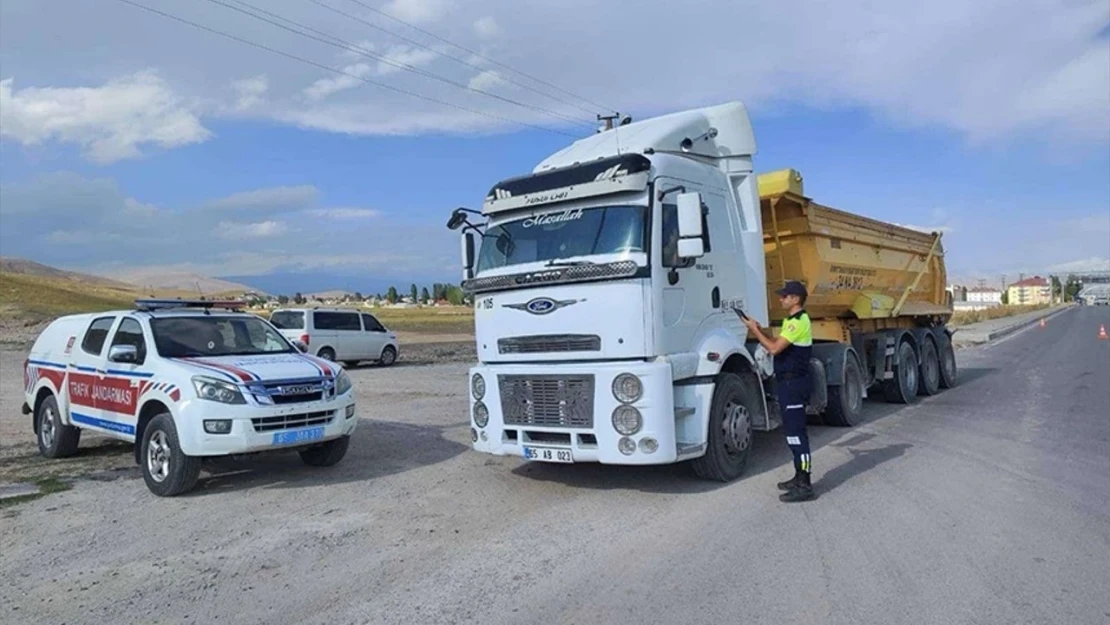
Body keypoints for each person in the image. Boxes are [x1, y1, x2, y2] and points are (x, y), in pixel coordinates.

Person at [738, 280, 816, 503]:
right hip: (787, 383)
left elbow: (773, 349)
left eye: (785, 296)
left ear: (796, 299)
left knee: (797, 434)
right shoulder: (791, 321)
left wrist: (754, 331)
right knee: (792, 433)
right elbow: (777, 343)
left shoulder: (798, 321)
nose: (781, 299)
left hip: (794, 384)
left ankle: (805, 484)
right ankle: (798, 476)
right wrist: (759, 329)